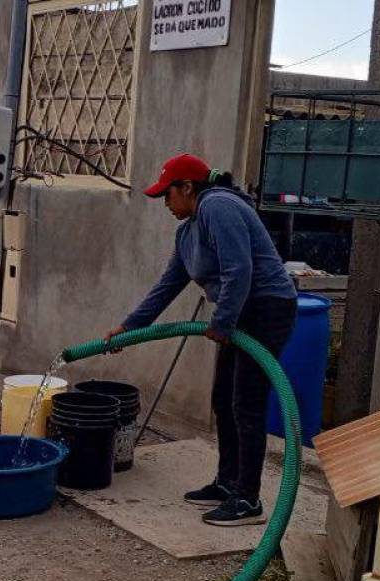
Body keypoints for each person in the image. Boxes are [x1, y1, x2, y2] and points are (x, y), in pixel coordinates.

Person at [105, 153, 297, 527]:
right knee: (223, 400)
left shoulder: (218, 206)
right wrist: (129, 327)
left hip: (267, 308)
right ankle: (228, 483)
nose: (166, 204)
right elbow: (168, 285)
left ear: (188, 187)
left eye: (168, 195)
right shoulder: (188, 230)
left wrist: (222, 321)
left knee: (246, 403)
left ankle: (248, 499)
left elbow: (239, 269)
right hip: (242, 311)